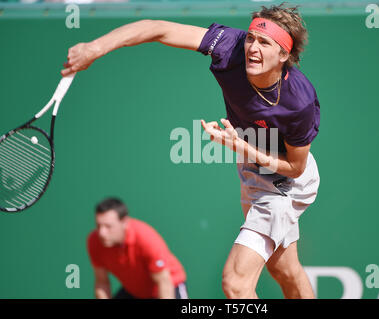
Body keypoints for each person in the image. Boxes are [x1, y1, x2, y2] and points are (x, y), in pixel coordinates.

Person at [65, 3, 320, 299]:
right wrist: (95, 48)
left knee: (236, 284)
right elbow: (158, 29)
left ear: (283, 55)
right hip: (254, 172)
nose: (253, 47)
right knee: (285, 271)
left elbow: (296, 168)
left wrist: (242, 146)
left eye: (265, 42)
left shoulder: (299, 102)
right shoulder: (231, 45)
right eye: (251, 38)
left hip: (284, 183)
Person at [87, 197, 188, 299]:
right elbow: (102, 282)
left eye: (108, 226)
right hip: (136, 291)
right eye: (98, 225)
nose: (102, 233)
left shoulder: (146, 239)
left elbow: (164, 281)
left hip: (169, 285)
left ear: (124, 222)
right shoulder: (95, 241)